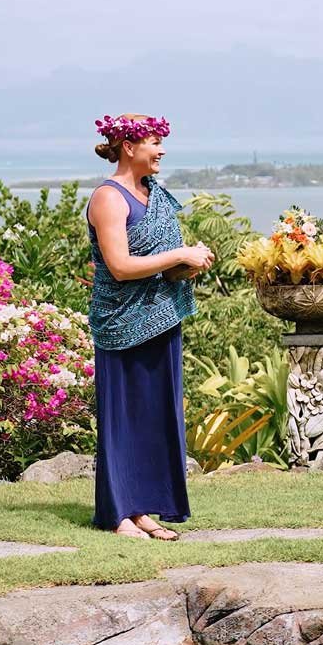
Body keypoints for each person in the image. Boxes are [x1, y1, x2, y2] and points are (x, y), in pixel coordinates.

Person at [86, 113, 214, 539]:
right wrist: (180, 256)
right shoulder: (109, 198)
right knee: (123, 418)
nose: (161, 151)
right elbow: (120, 267)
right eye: (154, 142)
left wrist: (188, 263)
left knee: (155, 416)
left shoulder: (153, 192)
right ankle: (118, 514)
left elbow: (159, 260)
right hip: (122, 322)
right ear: (129, 146)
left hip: (161, 317)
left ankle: (143, 510)